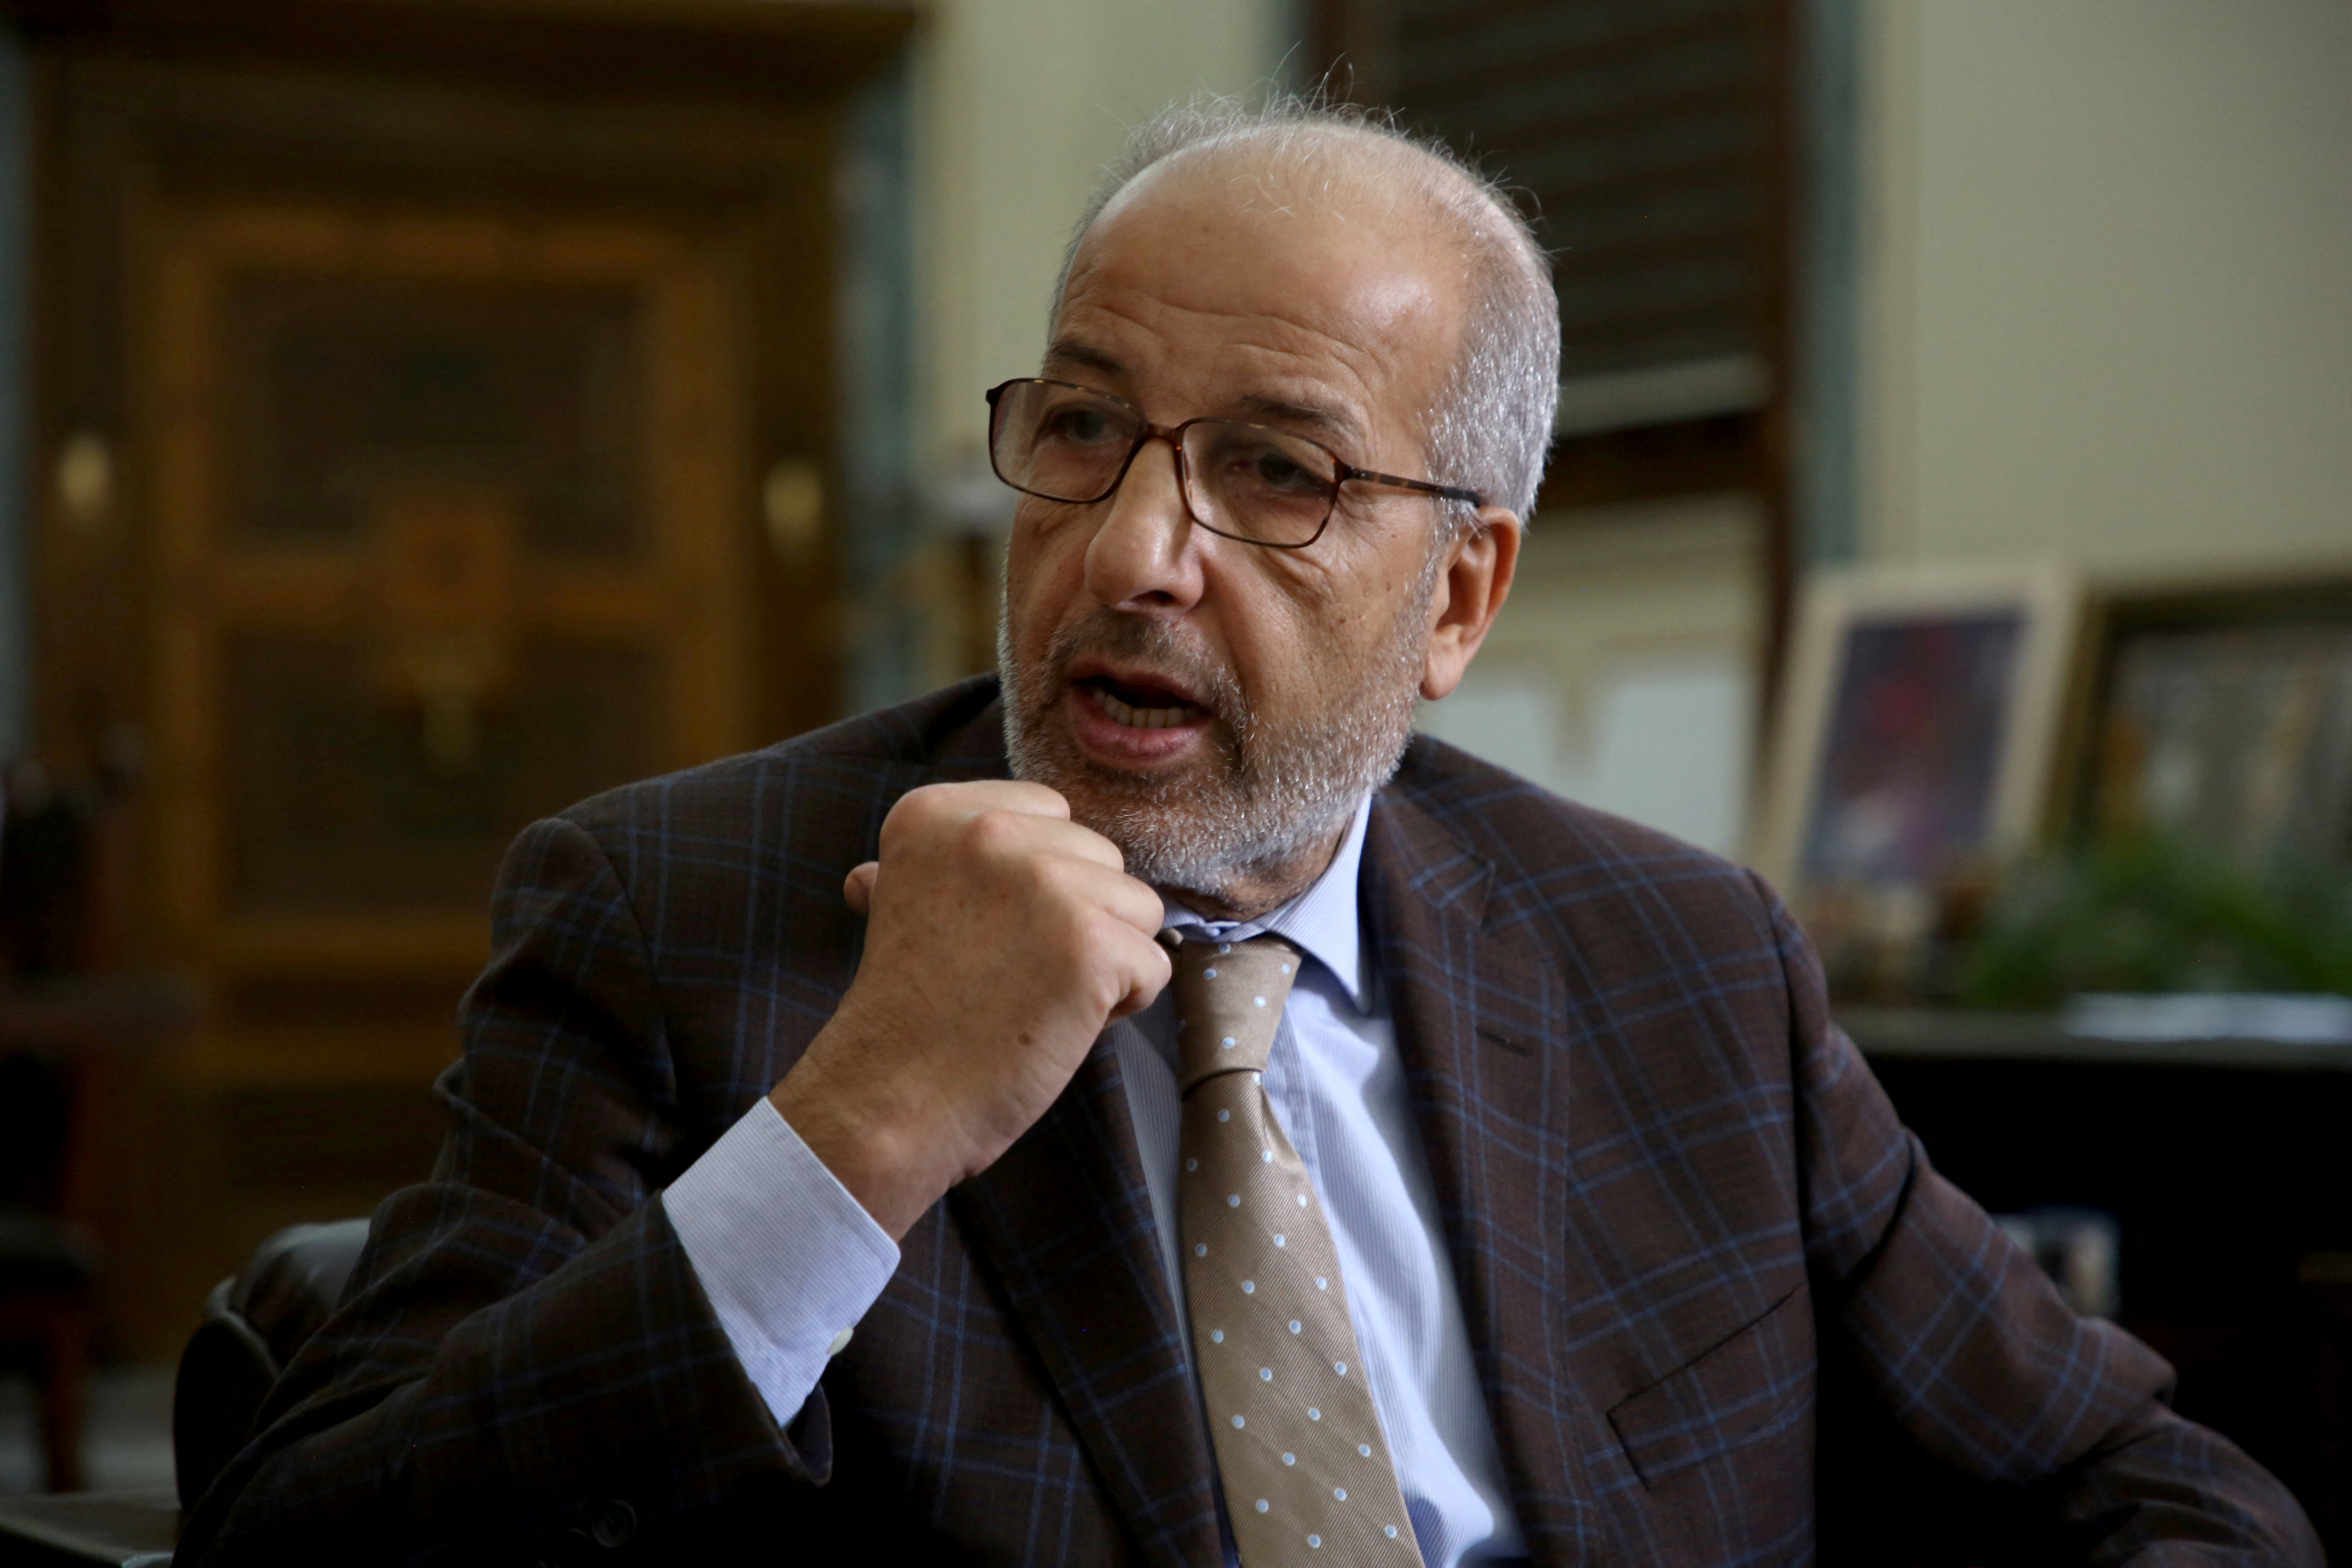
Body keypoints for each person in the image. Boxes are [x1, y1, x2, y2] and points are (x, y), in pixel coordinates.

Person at [180, 97, 2318, 1567]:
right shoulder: (676, 916)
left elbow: (2154, 1489)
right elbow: (312, 1544)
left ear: (1460, 595)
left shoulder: (1676, 963)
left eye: (1279, 472)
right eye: (1084, 428)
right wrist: (862, 1127)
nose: (1134, 553)